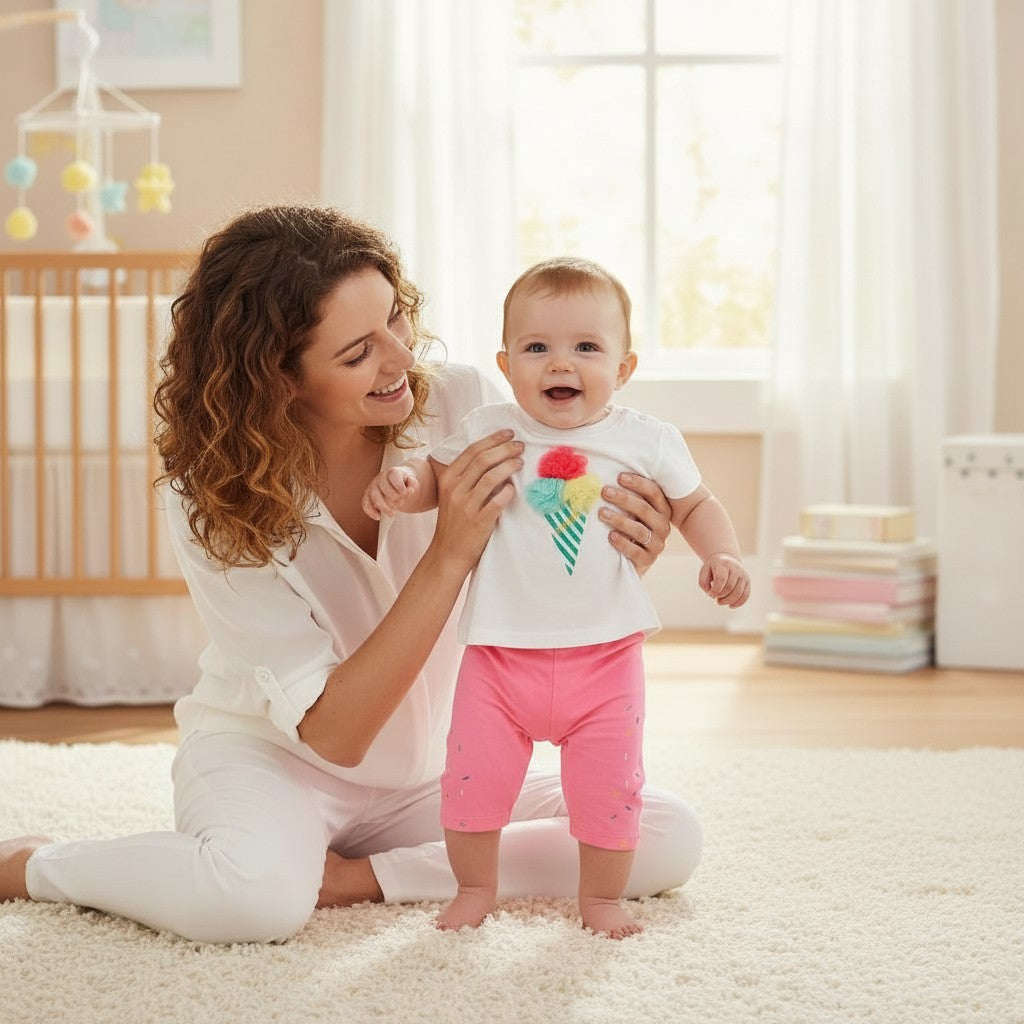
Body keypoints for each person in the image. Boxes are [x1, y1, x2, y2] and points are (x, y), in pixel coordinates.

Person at [0, 207, 702, 944]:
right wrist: (450, 551)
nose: (402, 357)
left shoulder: (465, 404)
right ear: (279, 379)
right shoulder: (213, 497)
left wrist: (626, 543)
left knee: (663, 833)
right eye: (360, 351)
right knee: (254, 903)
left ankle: (357, 877)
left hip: (433, 770)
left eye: (396, 319)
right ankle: (39, 865)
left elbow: (581, 513)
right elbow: (333, 737)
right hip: (282, 762)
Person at [363, 256, 749, 939]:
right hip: (499, 661)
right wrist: (405, 486)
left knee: (610, 792)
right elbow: (435, 478)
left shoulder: (645, 439)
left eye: (586, 348)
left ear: (624, 369)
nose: (559, 364)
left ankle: (600, 900)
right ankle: (475, 888)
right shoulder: (488, 426)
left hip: (604, 664)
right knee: (473, 785)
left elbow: (697, 503)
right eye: (537, 348)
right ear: (507, 364)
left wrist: (721, 554)